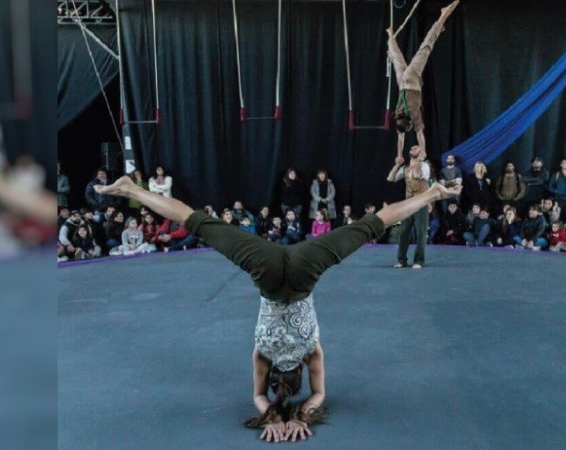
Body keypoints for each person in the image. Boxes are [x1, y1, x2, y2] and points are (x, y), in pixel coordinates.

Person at [93, 176, 462, 442]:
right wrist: (273, 412)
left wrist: (302, 413)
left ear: (299, 374)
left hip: (303, 271)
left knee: (369, 225)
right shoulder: (262, 358)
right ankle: (131, 189)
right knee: (200, 223)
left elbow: (317, 395)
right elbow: (258, 396)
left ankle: (431, 193)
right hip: (269, 274)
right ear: (274, 379)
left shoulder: (310, 353)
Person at [387, 0, 460, 158]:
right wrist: (399, 155)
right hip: (402, 84)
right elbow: (400, 138)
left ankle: (443, 16)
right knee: (397, 59)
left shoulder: (414, 117)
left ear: (410, 124)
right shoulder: (399, 115)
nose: (409, 130)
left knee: (426, 47)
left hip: (412, 80)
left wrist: (424, 150)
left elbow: (419, 135)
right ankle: (390, 38)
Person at [387, 146, 431, 269]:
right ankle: (402, 260)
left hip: (420, 203)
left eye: (416, 148)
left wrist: (418, 162)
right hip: (408, 204)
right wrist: (397, 165)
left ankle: (419, 261)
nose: (412, 148)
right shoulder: (405, 168)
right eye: (412, 147)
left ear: (420, 152)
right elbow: (391, 178)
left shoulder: (424, 166)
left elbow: (418, 175)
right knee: (403, 232)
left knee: (420, 233)